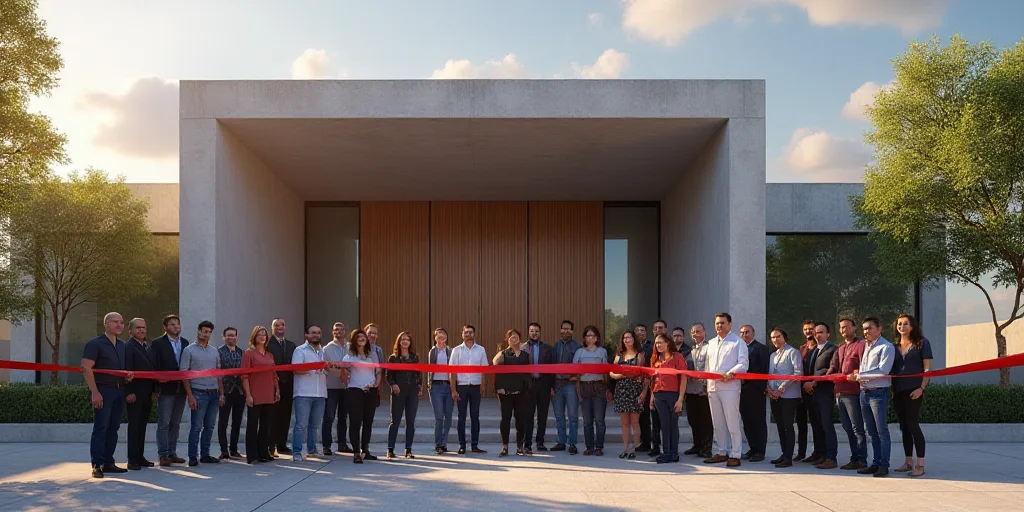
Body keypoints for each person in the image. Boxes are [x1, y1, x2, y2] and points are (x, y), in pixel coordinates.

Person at [82, 312, 129, 478]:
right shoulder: (95, 344)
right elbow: (86, 368)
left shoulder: (123, 345)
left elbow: (122, 369)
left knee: (113, 428)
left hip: (119, 390)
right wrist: (95, 392)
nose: (119, 325)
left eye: (122, 322)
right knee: (100, 427)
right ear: (106, 324)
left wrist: (127, 376)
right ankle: (96, 464)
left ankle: (108, 462)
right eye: (115, 322)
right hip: (103, 390)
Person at [850, 316, 896, 478]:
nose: (866, 332)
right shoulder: (867, 346)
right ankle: (875, 463)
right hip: (864, 393)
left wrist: (859, 376)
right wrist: (859, 375)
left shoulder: (886, 347)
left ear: (879, 328)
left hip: (878, 393)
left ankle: (884, 464)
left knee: (881, 430)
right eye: (864, 329)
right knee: (871, 431)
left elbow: (883, 371)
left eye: (869, 328)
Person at [703, 312, 748, 467]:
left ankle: (736, 454)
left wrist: (731, 373)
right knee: (718, 422)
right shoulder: (711, 343)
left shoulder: (737, 342)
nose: (719, 326)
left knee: (732, 421)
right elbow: (708, 365)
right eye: (717, 323)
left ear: (730, 324)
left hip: (730, 387)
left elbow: (743, 363)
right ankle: (722, 451)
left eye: (722, 323)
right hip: (713, 387)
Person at [892, 314, 932, 478]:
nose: (902, 326)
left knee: (913, 425)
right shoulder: (893, 346)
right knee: (904, 428)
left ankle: (920, 464)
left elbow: (927, 369)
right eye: (899, 324)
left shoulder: (922, 343)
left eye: (905, 323)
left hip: (914, 391)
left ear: (912, 326)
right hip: (898, 391)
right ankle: (908, 462)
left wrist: (921, 388)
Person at [180, 320, 225, 467]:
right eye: (204, 331)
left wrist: (221, 393)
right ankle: (193, 456)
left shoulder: (214, 351)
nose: (207, 334)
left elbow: (219, 374)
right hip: (198, 392)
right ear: (198, 331)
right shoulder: (189, 350)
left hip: (214, 393)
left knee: (210, 426)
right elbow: (184, 374)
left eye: (209, 332)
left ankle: (205, 454)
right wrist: (190, 395)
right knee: (196, 426)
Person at [828, 318, 867, 470]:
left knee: (857, 428)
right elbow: (834, 367)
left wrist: (857, 372)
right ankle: (854, 458)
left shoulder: (861, 345)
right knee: (847, 428)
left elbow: (864, 366)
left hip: (853, 392)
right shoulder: (841, 348)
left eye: (846, 327)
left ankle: (862, 459)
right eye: (841, 328)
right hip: (839, 392)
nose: (843, 330)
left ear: (854, 328)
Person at [151, 314, 189, 466]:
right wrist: (155, 387)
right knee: (164, 423)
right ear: (165, 327)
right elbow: (153, 367)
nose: (176, 327)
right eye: (172, 324)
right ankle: (163, 455)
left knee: (176, 423)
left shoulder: (185, 343)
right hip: (165, 389)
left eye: (177, 324)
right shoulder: (157, 344)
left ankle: (172, 453)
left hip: (181, 389)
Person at [242, 325, 280, 464]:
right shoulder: (249, 353)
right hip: (255, 393)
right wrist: (248, 395)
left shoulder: (270, 355)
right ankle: (252, 455)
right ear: (254, 337)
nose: (263, 336)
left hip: (269, 392)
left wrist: (277, 390)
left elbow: (274, 374)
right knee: (253, 425)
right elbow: (244, 375)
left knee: (266, 425)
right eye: (260, 334)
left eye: (264, 334)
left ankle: (264, 452)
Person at [803, 322, 839, 469]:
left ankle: (831, 457)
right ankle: (819, 453)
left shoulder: (833, 349)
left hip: (824, 391)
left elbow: (830, 369)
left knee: (826, 425)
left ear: (828, 334)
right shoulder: (813, 351)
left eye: (821, 332)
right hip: (812, 393)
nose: (818, 335)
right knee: (816, 425)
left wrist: (814, 382)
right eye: (816, 332)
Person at [492, 329, 533, 456]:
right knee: (505, 419)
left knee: (520, 420)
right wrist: (504, 350)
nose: (513, 339)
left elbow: (530, 371)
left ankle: (519, 447)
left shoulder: (526, 355)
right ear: (508, 340)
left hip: (521, 392)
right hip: (506, 392)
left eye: (516, 337)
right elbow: (494, 363)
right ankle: (505, 447)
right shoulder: (504, 353)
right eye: (511, 337)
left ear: (520, 339)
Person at [343, 329, 381, 463]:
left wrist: (375, 385)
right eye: (358, 337)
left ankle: (366, 450)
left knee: (368, 422)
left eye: (363, 337)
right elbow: (343, 376)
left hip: (370, 392)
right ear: (354, 340)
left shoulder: (372, 356)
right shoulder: (348, 357)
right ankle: (356, 452)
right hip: (355, 391)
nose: (361, 339)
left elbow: (378, 372)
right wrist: (342, 369)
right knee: (355, 422)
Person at [291, 325, 328, 461]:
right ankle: (297, 452)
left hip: (320, 393)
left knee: (314, 425)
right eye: (313, 333)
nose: (316, 335)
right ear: (307, 335)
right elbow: (296, 369)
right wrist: (313, 369)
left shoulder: (323, 352)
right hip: (304, 393)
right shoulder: (300, 350)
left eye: (318, 333)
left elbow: (326, 370)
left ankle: (312, 450)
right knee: (301, 424)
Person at [766, 328, 802, 468]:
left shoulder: (793, 352)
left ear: (785, 337)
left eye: (778, 336)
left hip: (789, 395)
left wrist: (781, 389)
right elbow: (770, 374)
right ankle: (783, 453)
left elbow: (797, 373)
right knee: (780, 426)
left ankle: (789, 457)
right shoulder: (773, 355)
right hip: (775, 395)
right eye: (773, 337)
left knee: (787, 426)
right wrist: (769, 389)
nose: (775, 340)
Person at [450, 324, 489, 454]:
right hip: (461, 387)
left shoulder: (481, 350)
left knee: (475, 417)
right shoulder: (456, 350)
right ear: (462, 334)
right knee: (461, 417)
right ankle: (462, 445)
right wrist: (453, 390)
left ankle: (474, 445)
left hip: (475, 387)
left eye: (470, 332)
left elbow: (484, 369)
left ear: (474, 334)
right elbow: (452, 372)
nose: (468, 334)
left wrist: (483, 385)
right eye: (466, 332)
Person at [124, 317, 156, 470]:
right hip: (135, 392)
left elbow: (152, 370)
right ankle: (132, 459)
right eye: (138, 328)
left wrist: (155, 389)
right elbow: (127, 369)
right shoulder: (128, 347)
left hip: (147, 392)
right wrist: (129, 391)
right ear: (130, 331)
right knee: (134, 425)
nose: (142, 330)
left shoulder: (147, 346)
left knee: (142, 425)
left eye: (143, 327)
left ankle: (140, 456)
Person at [649, 334, 687, 464]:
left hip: (673, 394)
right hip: (658, 394)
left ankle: (674, 453)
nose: (658, 345)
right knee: (663, 425)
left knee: (673, 424)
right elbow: (653, 380)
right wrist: (652, 397)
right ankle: (666, 452)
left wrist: (680, 399)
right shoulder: (656, 359)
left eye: (661, 342)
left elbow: (683, 378)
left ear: (668, 343)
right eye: (656, 343)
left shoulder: (677, 357)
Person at [610, 330, 648, 459]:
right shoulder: (618, 356)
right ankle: (625, 448)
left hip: (635, 390)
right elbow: (611, 373)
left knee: (635, 422)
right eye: (625, 338)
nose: (627, 340)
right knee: (624, 422)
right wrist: (618, 375)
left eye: (629, 337)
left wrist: (643, 392)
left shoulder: (640, 355)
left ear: (634, 339)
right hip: (621, 390)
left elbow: (645, 376)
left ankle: (634, 448)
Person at [574, 326, 610, 456]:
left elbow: (606, 371)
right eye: (588, 336)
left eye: (593, 336)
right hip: (584, 386)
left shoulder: (602, 351)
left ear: (597, 338)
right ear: (584, 338)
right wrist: (578, 392)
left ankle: (599, 446)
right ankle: (589, 446)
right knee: (587, 420)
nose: (590, 338)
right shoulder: (579, 352)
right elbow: (575, 372)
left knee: (599, 420)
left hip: (599, 386)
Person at [386, 331, 423, 459]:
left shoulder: (414, 357)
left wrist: (420, 386)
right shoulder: (393, 358)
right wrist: (393, 385)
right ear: (399, 341)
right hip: (398, 392)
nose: (405, 341)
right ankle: (390, 449)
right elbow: (388, 375)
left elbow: (418, 374)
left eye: (407, 339)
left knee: (410, 422)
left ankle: (408, 449)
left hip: (412, 392)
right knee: (395, 421)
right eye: (402, 339)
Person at [738, 325, 769, 462]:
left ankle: (760, 451)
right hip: (741, 391)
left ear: (753, 333)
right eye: (742, 332)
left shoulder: (760, 348)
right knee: (747, 421)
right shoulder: (739, 349)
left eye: (747, 332)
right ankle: (752, 448)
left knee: (758, 421)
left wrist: (760, 388)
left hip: (755, 391)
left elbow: (764, 370)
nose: (744, 334)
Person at [267, 318, 297, 456]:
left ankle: (282, 444)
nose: (280, 327)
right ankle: (270, 445)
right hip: (273, 384)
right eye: (276, 325)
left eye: (282, 325)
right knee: (272, 416)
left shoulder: (291, 345)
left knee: (285, 416)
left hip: (288, 384)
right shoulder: (267, 344)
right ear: (272, 328)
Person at [683, 323, 713, 458]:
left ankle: (706, 448)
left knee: (705, 421)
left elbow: (711, 369)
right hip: (690, 390)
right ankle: (697, 445)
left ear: (704, 331)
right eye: (693, 332)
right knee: (693, 420)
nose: (695, 334)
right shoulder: (690, 351)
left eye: (698, 331)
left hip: (703, 390)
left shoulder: (710, 348)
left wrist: (706, 388)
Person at [322, 322, 352, 455]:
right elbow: (326, 368)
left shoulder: (351, 347)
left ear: (345, 331)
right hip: (331, 387)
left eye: (341, 329)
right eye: (336, 329)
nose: (338, 331)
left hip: (347, 388)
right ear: (332, 332)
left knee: (343, 417)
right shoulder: (326, 349)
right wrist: (341, 372)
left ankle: (342, 444)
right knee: (329, 416)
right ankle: (326, 446)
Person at [551, 321, 580, 454]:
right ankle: (561, 442)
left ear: (572, 331)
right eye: (563, 329)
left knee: (573, 416)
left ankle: (572, 443)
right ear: (560, 330)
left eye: (568, 329)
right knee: (559, 416)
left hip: (570, 384)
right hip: (557, 385)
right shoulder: (556, 345)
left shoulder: (577, 346)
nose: (565, 331)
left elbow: (579, 366)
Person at [524, 322, 554, 452]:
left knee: (543, 415)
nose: (534, 333)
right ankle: (527, 443)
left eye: (536, 331)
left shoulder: (548, 348)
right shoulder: (523, 348)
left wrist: (552, 386)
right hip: (529, 385)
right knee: (528, 416)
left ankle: (540, 442)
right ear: (528, 332)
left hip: (544, 385)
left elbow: (552, 369)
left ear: (540, 332)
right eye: (531, 331)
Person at [217, 327, 245, 460]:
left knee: (237, 421)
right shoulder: (219, 352)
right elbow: (218, 374)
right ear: (224, 337)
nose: (231, 338)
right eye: (228, 336)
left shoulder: (241, 352)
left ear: (236, 337)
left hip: (239, 392)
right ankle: (223, 450)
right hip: (225, 391)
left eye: (233, 335)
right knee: (223, 421)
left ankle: (234, 449)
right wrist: (221, 393)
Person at [428, 328, 454, 455]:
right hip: (436, 386)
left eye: (443, 334)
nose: (441, 337)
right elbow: (429, 368)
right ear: (435, 338)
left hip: (449, 387)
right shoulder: (433, 351)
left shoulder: (451, 351)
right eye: (439, 335)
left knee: (448, 417)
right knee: (439, 417)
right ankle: (438, 444)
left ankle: (444, 443)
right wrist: (429, 384)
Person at [795, 319, 816, 461]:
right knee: (801, 423)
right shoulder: (801, 348)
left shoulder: (820, 348)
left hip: (815, 390)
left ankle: (819, 453)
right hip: (800, 390)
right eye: (806, 329)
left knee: (816, 423)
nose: (808, 331)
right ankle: (801, 453)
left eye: (811, 329)